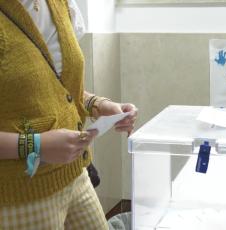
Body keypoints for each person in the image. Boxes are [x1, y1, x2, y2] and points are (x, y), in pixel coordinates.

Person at [0, 0, 137, 229]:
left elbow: (56, 87)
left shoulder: (60, 4)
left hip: (75, 175)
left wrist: (99, 104)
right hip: (20, 195)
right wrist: (35, 145)